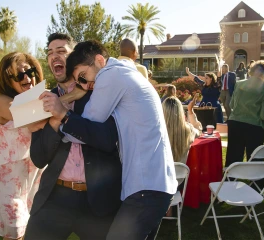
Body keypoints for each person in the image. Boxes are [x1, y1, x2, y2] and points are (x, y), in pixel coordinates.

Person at [41, 40, 178, 240]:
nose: (87, 86)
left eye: (83, 77)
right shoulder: (126, 72)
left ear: (98, 60)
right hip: (154, 185)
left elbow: (84, 125)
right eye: (80, 82)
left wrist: (61, 114)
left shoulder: (110, 75)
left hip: (145, 187)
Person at [24, 33, 122, 240]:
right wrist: (54, 119)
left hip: (98, 201)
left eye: (61, 51)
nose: (54, 57)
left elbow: (108, 141)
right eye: (50, 53)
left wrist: (65, 114)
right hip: (55, 199)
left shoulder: (99, 93)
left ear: (75, 58)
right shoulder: (43, 101)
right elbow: (39, 158)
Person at [0, 52, 45, 240]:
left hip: (33, 177)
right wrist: (76, 93)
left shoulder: (36, 99)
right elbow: (37, 119)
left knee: (29, 229)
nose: (27, 77)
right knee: (15, 232)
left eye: (30, 71)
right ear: (7, 79)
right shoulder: (2, 101)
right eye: (20, 75)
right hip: (9, 182)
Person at [225, 60, 264, 188]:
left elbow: (231, 105)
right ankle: (256, 187)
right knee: (255, 158)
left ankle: (229, 185)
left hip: (235, 124)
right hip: (254, 127)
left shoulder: (239, 84)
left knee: (233, 156)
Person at [162, 95, 201, 163]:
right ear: (180, 112)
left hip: (163, 172)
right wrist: (190, 111)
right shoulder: (189, 130)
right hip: (181, 172)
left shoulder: (158, 132)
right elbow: (199, 132)